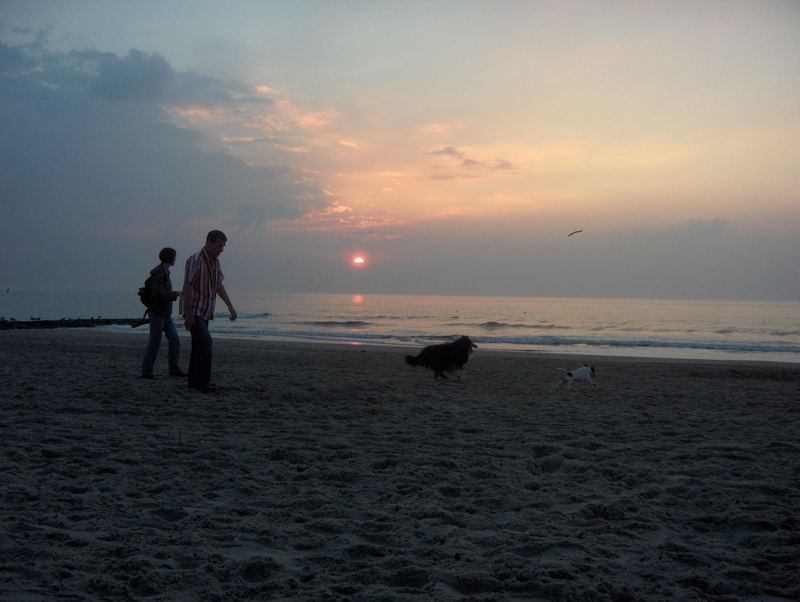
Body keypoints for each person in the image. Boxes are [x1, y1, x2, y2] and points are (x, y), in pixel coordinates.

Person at [181, 230, 237, 392]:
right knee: (205, 343)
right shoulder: (195, 260)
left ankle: (195, 382)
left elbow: (218, 285)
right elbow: (188, 286)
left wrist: (230, 306)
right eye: (220, 245)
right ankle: (201, 382)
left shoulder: (215, 263)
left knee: (199, 346)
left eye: (223, 246)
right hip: (195, 310)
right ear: (210, 242)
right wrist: (189, 314)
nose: (222, 249)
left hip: (205, 311)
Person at [140, 247, 185, 379]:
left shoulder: (165, 271)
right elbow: (157, 293)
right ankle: (146, 371)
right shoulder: (159, 273)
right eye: (174, 257)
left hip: (165, 313)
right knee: (155, 342)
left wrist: (174, 294)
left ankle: (174, 369)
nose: (175, 259)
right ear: (170, 258)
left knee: (175, 340)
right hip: (157, 312)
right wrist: (174, 294)